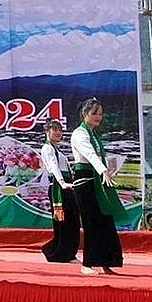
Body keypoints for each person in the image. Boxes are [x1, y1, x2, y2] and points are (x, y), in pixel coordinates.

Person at [70, 97, 124, 275]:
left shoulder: (94, 134)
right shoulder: (80, 133)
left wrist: (107, 170)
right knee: (91, 222)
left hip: (98, 179)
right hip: (85, 181)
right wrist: (103, 170)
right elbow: (90, 154)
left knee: (105, 221)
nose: (98, 117)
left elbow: (98, 156)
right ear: (84, 114)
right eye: (94, 113)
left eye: (100, 114)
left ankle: (105, 262)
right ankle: (87, 263)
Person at [39, 118, 80, 263]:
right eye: (54, 130)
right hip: (59, 188)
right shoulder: (47, 148)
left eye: (60, 130)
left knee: (72, 220)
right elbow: (53, 167)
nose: (58, 133)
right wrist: (62, 183)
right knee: (64, 221)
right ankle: (62, 254)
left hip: (66, 186)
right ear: (47, 132)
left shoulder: (56, 149)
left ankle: (58, 251)